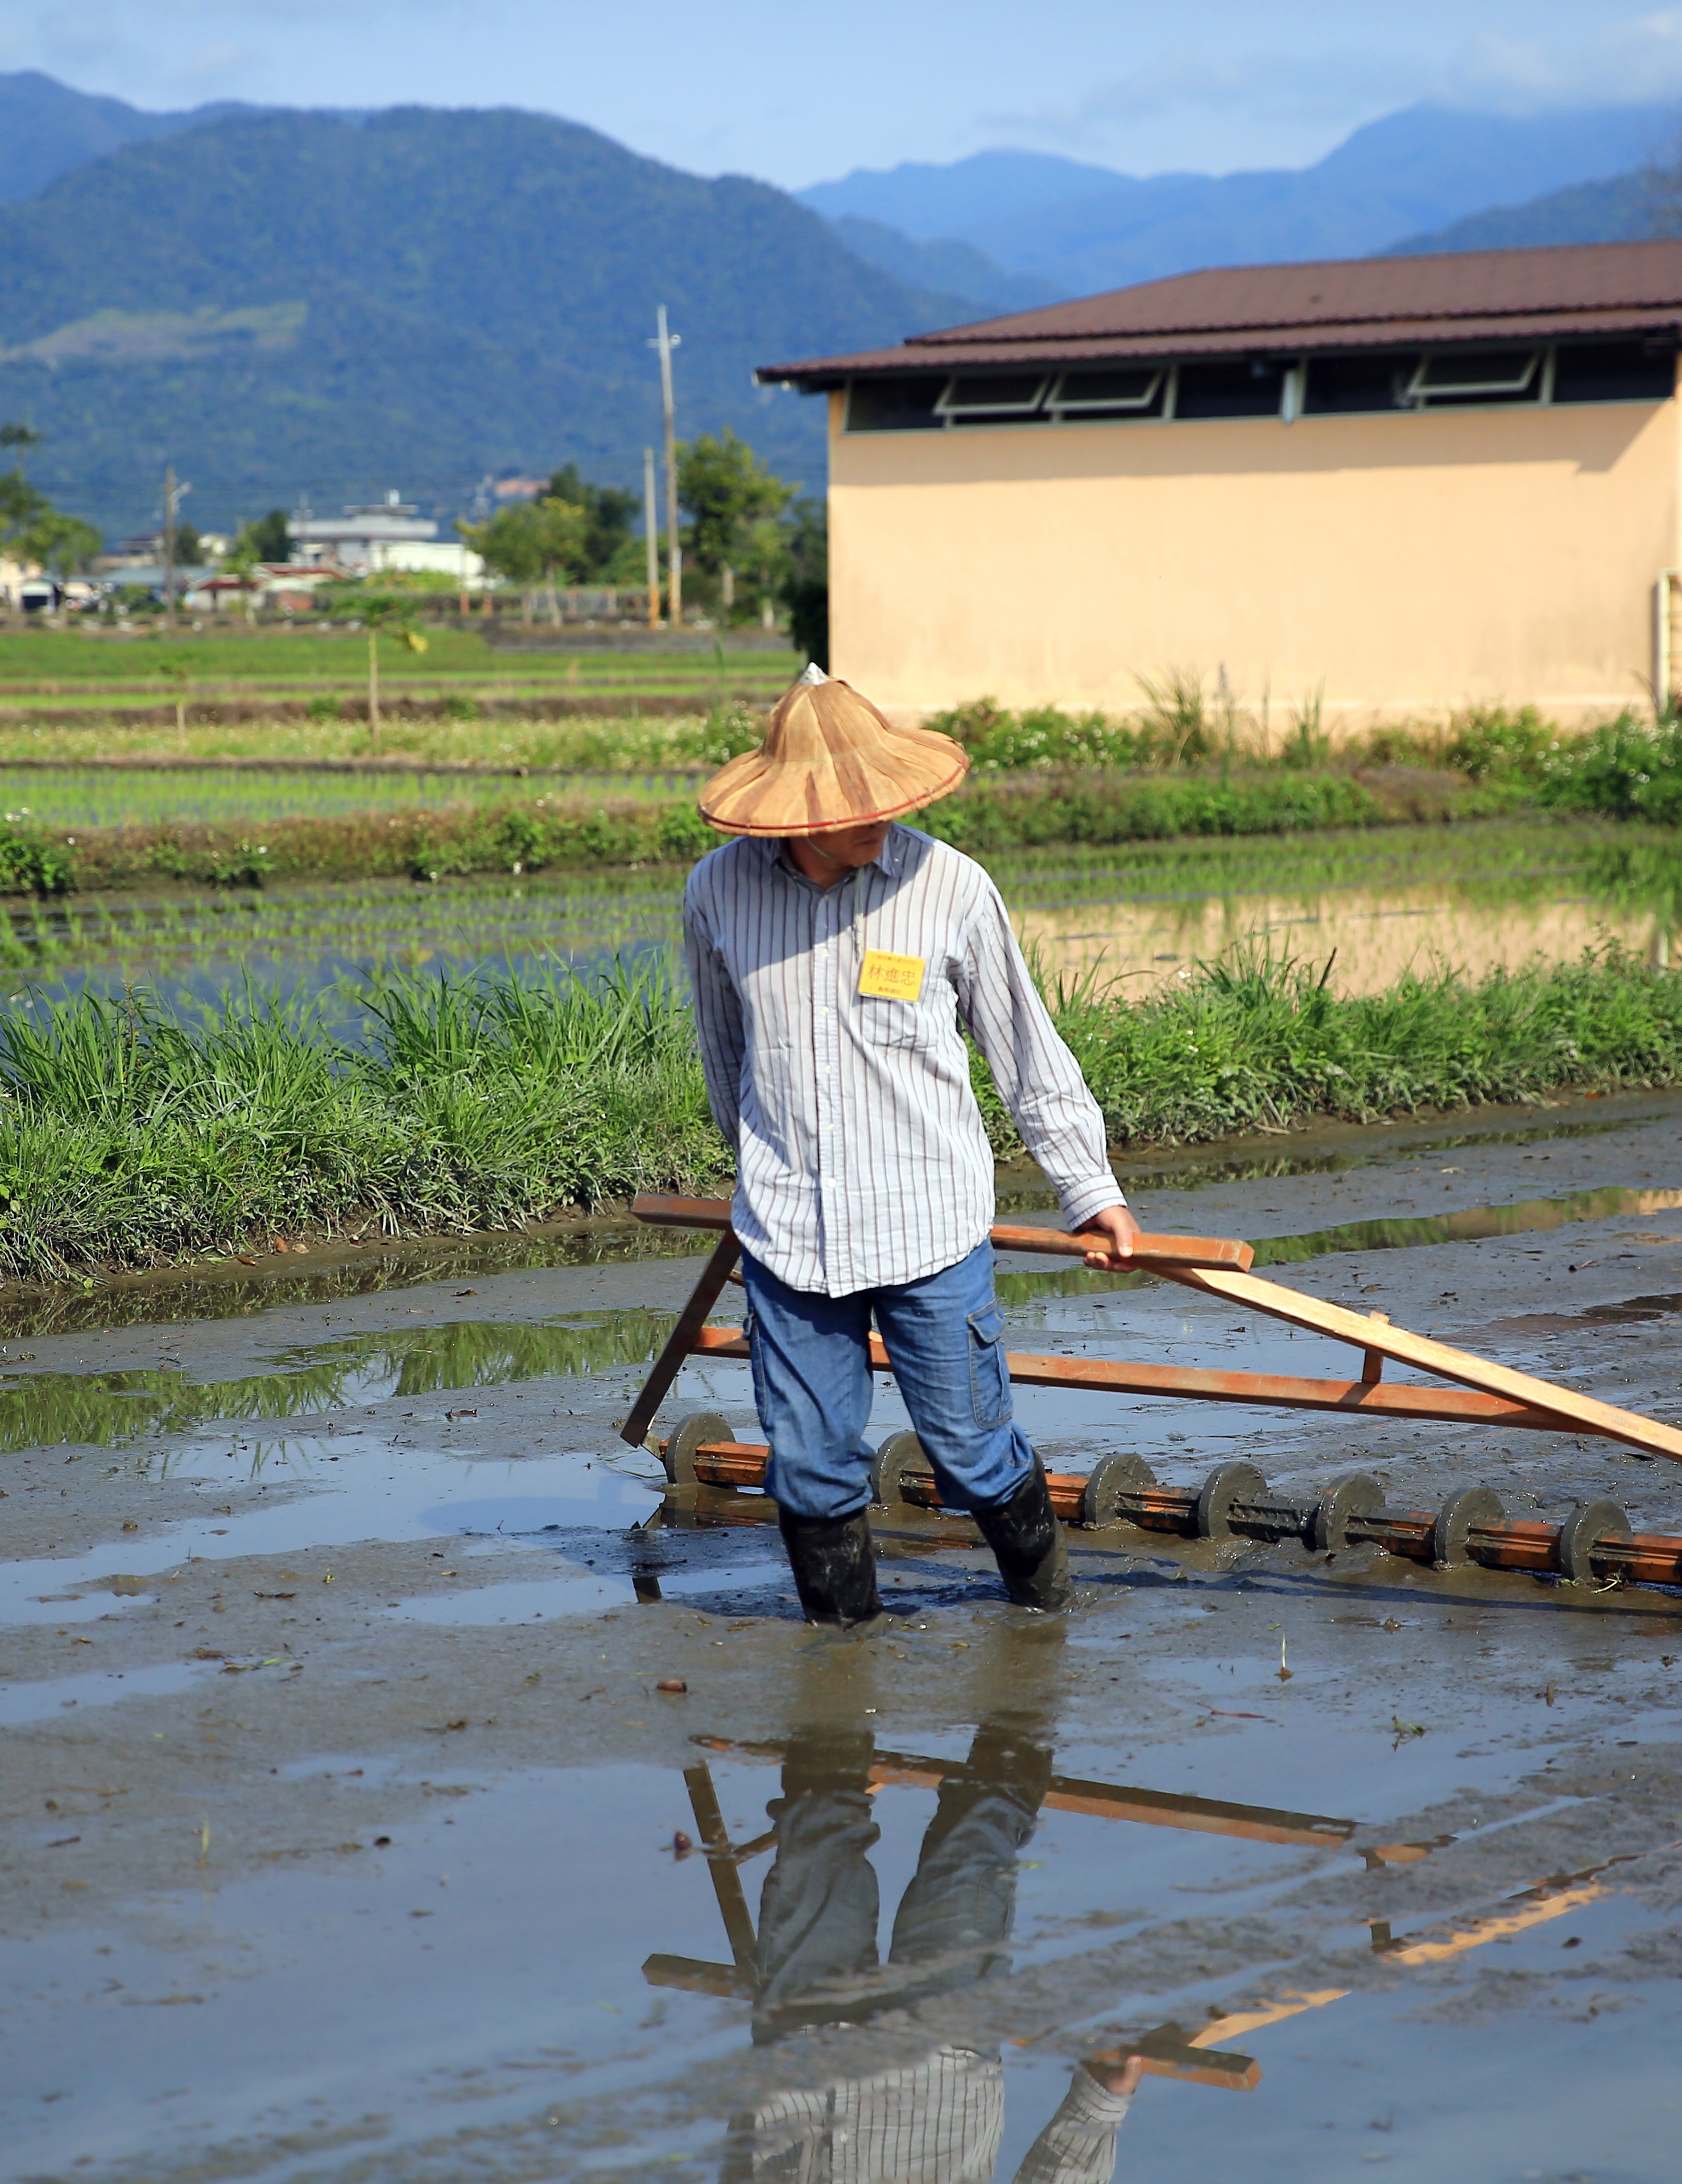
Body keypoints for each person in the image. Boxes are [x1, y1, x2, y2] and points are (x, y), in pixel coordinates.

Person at [682, 667, 1140, 1627]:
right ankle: (843, 1664)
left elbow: (1025, 1048)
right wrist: (755, 1169)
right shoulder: (716, 894)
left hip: (927, 1225)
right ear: (792, 816)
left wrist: (1090, 1189)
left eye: (887, 801)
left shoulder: (950, 887)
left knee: (971, 1452)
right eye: (856, 808)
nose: (881, 819)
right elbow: (727, 1055)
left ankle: (1045, 1614)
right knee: (808, 1467)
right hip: (789, 1239)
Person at [732, 1711, 1143, 2183]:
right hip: (941, 2073)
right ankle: (1023, 1667)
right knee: (976, 1846)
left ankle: (838, 1656)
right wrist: (1097, 2109)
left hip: (803, 2054)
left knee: (817, 1828)